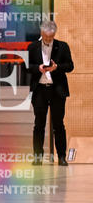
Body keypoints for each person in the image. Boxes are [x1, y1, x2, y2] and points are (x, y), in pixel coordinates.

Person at [27, 20, 73, 166]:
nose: (48, 39)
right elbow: (26, 66)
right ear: (41, 33)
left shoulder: (63, 46)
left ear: (54, 34)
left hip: (57, 90)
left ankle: (61, 156)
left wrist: (57, 67)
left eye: (51, 37)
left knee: (58, 124)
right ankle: (37, 157)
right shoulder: (32, 47)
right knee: (39, 124)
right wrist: (37, 68)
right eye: (46, 37)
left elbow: (70, 66)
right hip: (40, 90)